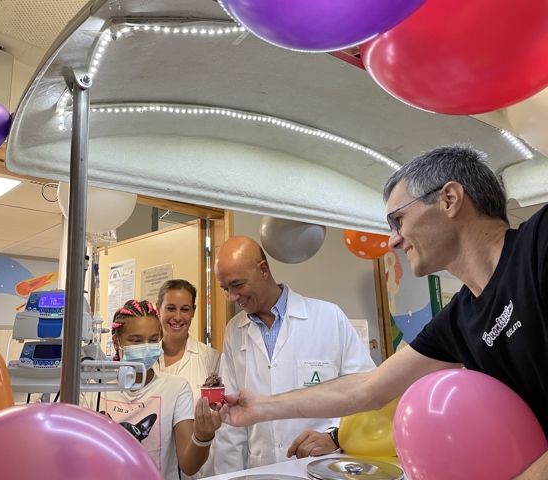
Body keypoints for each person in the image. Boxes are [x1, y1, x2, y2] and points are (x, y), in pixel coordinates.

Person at [217, 145, 548, 479]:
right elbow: (370, 388)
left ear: (449, 199)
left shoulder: (540, 244)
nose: (392, 240)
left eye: (398, 219)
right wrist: (262, 407)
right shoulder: (461, 319)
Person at [206, 236, 376, 474]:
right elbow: (231, 423)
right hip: (263, 469)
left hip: (322, 466)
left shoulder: (329, 317)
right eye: (225, 288)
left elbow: (368, 393)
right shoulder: (235, 330)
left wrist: (336, 436)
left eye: (237, 285)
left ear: (263, 270)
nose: (231, 297)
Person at [84, 299, 221, 480]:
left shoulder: (176, 388)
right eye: (136, 340)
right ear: (116, 342)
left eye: (153, 340)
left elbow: (189, 467)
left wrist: (204, 436)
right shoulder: (96, 390)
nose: (146, 347)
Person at [155, 279, 221, 403]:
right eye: (171, 308)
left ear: (193, 311)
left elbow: (219, 410)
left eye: (185, 309)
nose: (178, 317)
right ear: (158, 308)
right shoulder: (147, 360)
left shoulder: (212, 359)